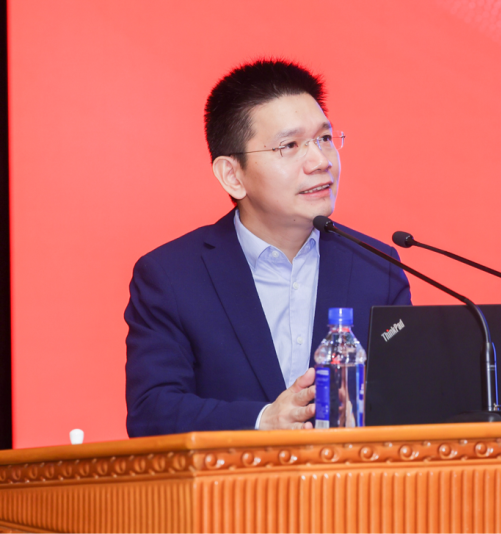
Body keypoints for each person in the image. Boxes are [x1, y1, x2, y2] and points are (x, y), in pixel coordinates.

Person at [124, 59, 411, 437]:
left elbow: (407, 402)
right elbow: (152, 412)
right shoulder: (171, 276)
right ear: (233, 175)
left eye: (325, 139)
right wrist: (263, 420)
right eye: (289, 145)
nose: (320, 162)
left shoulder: (377, 269)